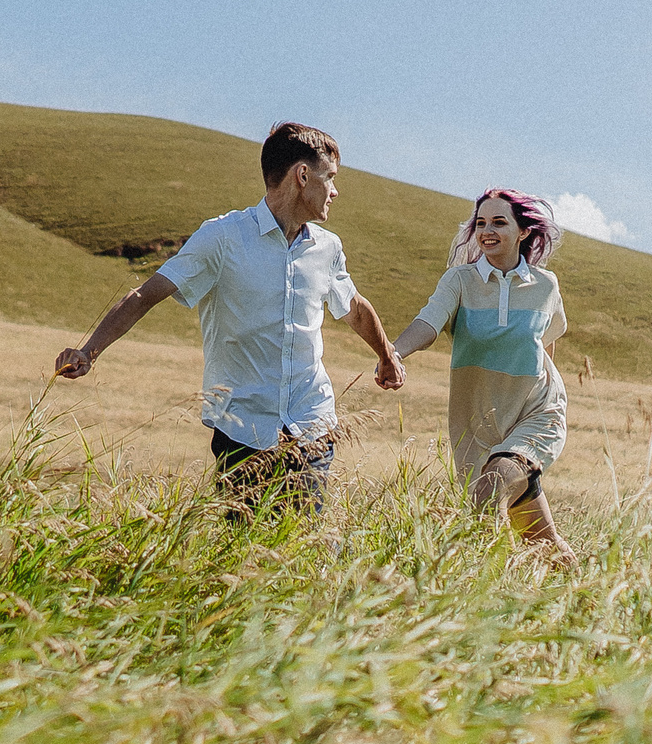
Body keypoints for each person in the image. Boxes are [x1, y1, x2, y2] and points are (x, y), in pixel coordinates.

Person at [54, 122, 404, 513]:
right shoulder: (222, 237)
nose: (335, 191)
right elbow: (144, 295)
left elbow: (354, 308)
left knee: (304, 545)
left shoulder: (328, 247)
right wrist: (89, 350)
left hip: (310, 423)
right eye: (330, 177)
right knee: (245, 553)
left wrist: (387, 354)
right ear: (302, 176)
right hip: (243, 428)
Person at [388, 189, 575, 561]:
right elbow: (428, 322)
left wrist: (535, 387)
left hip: (536, 415)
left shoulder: (545, 286)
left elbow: (544, 344)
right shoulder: (459, 281)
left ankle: (496, 591)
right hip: (478, 423)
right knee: (542, 542)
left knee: (490, 491)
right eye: (481, 223)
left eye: (499, 222)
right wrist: (394, 352)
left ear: (523, 231)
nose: (487, 230)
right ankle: (587, 596)